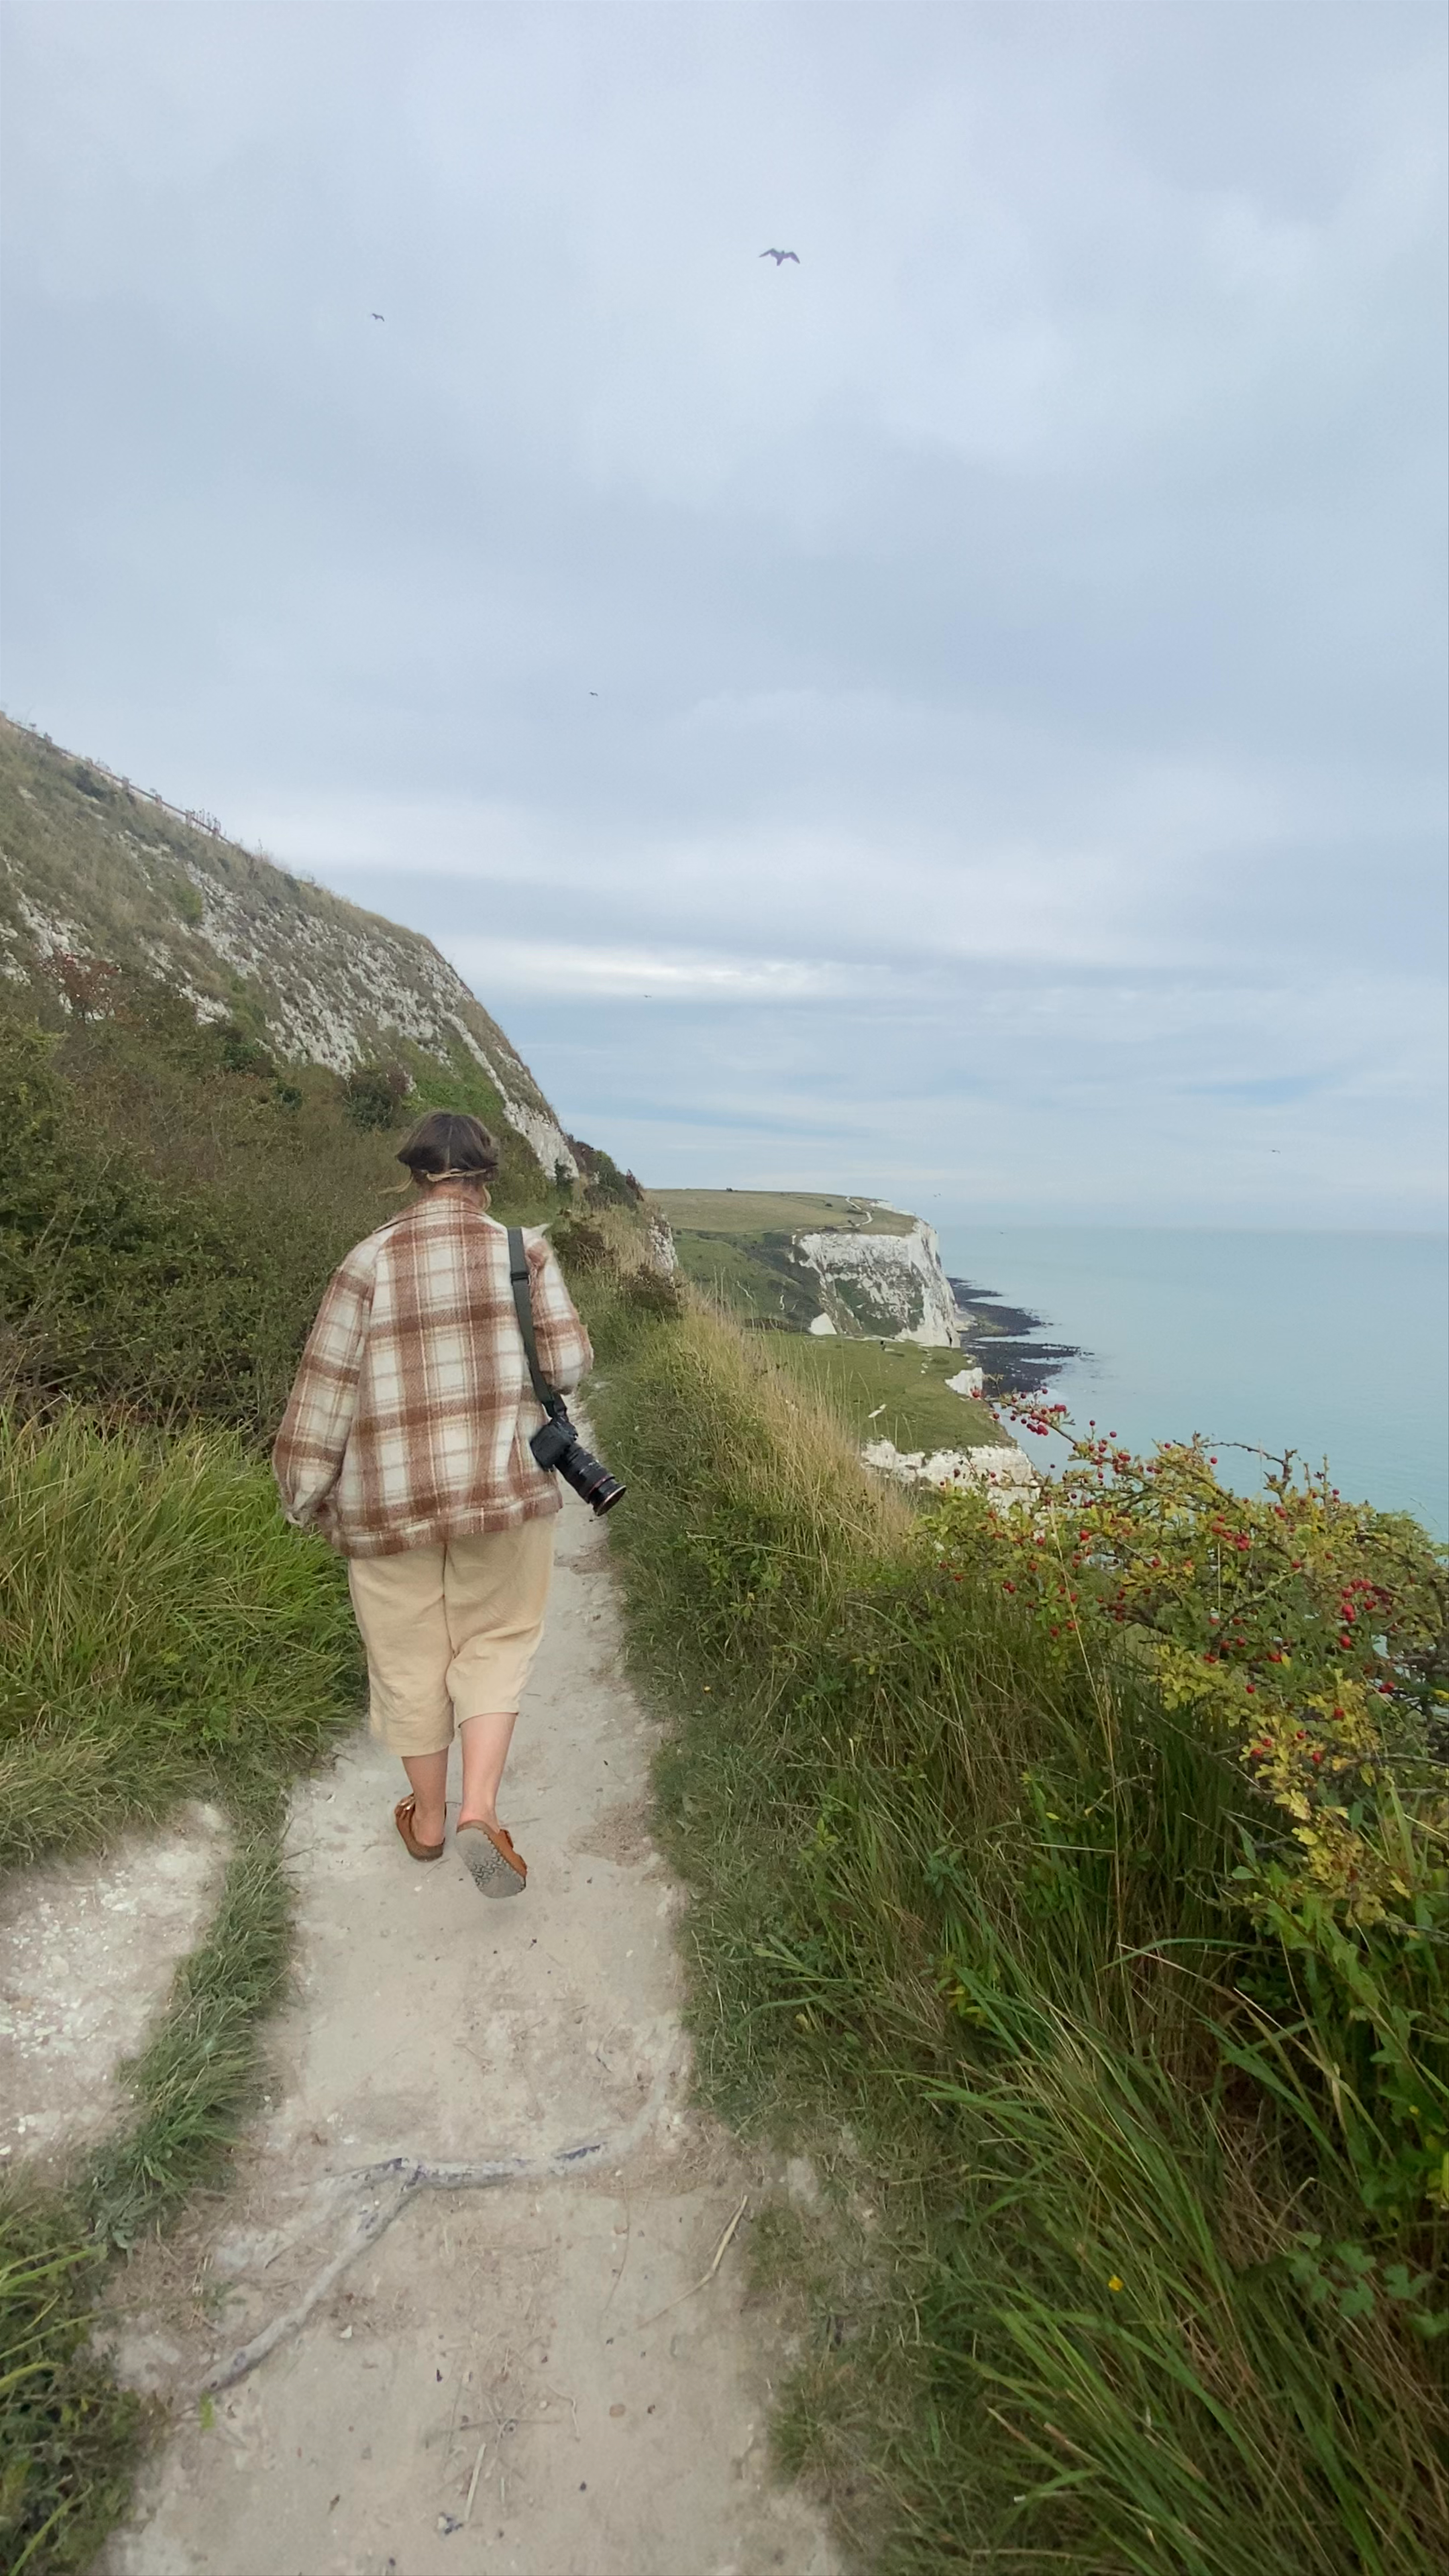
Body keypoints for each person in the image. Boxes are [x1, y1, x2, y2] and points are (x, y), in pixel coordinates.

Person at [273, 1108, 592, 1897]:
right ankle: (481, 1810)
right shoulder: (525, 1251)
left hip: (386, 1502)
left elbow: (324, 1393)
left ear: (416, 1174)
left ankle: (425, 1818)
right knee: (498, 1635)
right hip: (502, 1489)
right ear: (487, 1176)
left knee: (407, 1653)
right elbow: (571, 1363)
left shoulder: (366, 1262)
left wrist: (304, 1493)